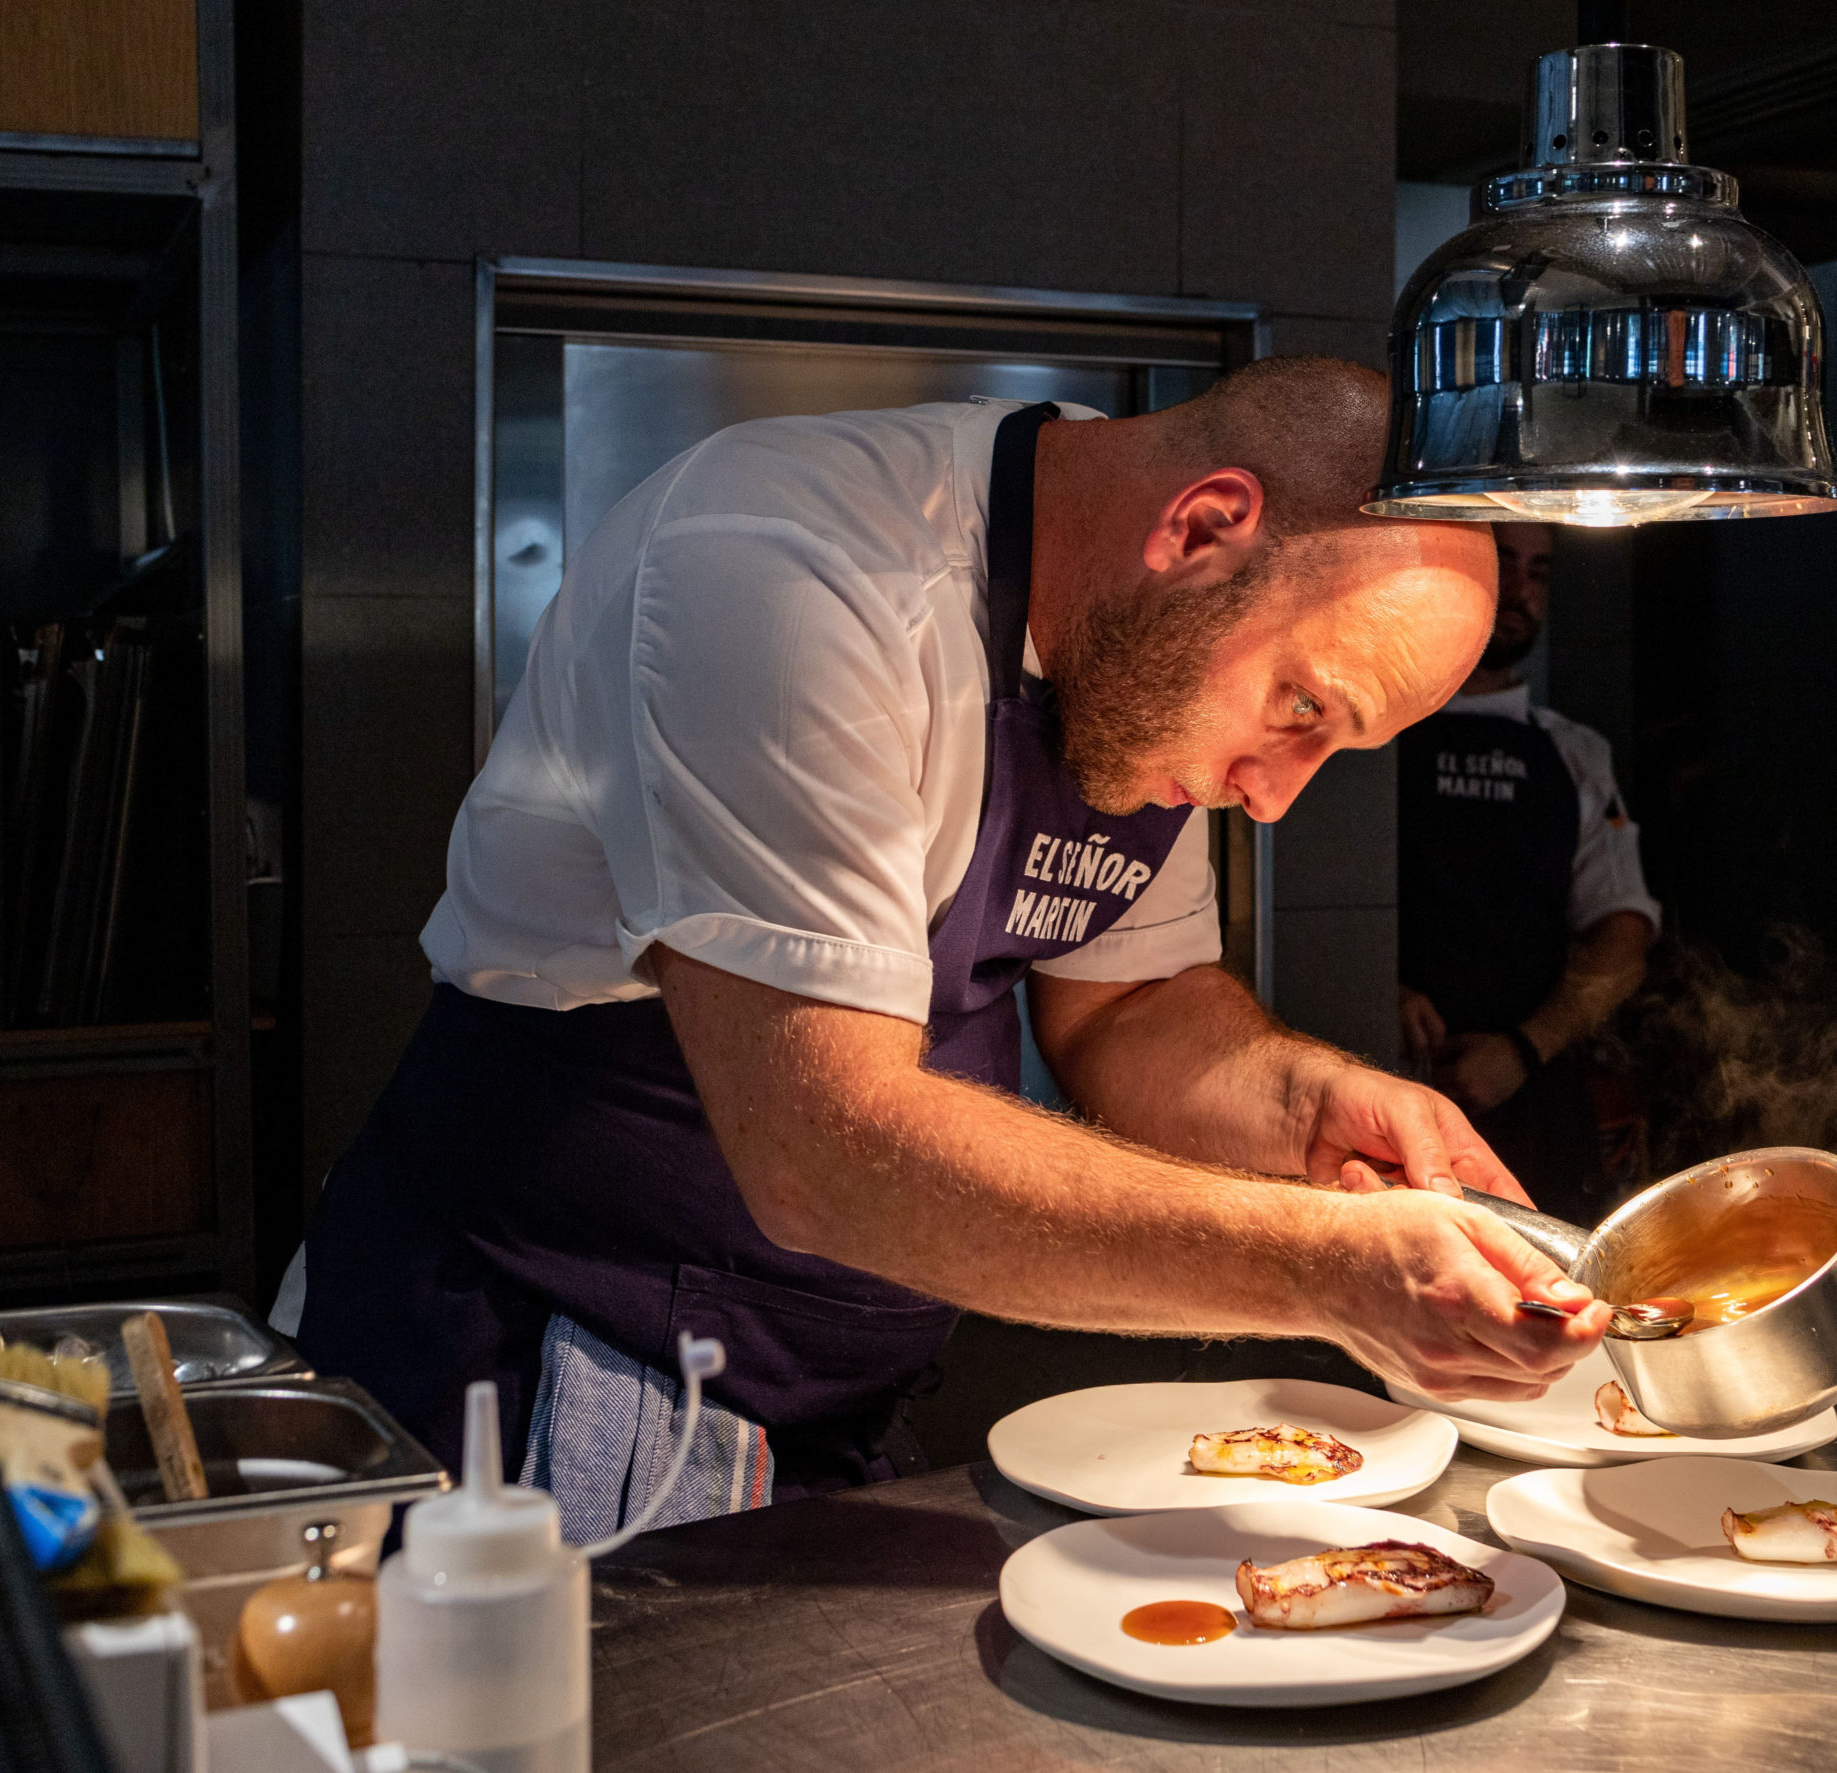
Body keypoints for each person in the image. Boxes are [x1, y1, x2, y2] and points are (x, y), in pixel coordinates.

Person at [294, 360, 1611, 1530]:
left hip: (825, 1386)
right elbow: (824, 1147)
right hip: (553, 1373)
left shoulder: (1136, 644)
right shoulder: (783, 573)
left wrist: (1315, 1107)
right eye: (1303, 710)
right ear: (1204, 527)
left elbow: (1129, 1010)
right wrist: (1325, 1273)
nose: (1274, 795)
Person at [1396, 522, 1659, 1226]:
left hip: (1534, 1110)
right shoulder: (1373, 733)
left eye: (1539, 572)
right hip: (1384, 1088)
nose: (1520, 591)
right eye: (1502, 564)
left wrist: (1520, 1050)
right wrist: (1373, 993)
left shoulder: (1573, 754)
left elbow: (1624, 939)